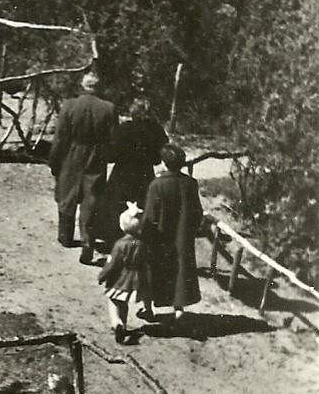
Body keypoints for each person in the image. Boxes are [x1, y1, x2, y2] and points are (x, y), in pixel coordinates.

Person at [48, 70, 118, 264]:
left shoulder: (69, 106)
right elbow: (113, 141)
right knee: (91, 201)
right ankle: (88, 242)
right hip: (96, 157)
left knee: (66, 196)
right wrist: (106, 156)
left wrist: (54, 162)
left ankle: (65, 236)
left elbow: (60, 138)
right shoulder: (109, 108)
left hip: (71, 156)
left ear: (83, 85)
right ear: (99, 87)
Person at [142, 143, 204, 322]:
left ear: (164, 162)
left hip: (159, 236)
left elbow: (151, 215)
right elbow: (197, 212)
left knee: (153, 269)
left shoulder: (157, 184)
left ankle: (148, 308)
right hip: (183, 235)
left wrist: (144, 231)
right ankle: (179, 310)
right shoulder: (190, 183)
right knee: (180, 270)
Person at [98, 203, 151, 343]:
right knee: (124, 303)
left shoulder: (120, 244)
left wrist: (102, 275)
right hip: (135, 278)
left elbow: (112, 263)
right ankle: (124, 323)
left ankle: (117, 323)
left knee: (113, 301)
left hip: (119, 278)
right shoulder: (142, 244)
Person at [108, 97, 168, 218]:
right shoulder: (156, 129)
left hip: (122, 173)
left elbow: (111, 155)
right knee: (143, 206)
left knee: (117, 206)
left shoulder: (123, 128)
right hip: (145, 173)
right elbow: (159, 157)